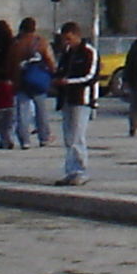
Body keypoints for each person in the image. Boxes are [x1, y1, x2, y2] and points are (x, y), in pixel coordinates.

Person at [53, 21, 98, 186]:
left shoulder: (88, 52)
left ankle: (80, 171)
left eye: (69, 39)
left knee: (78, 136)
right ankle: (70, 171)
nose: (66, 42)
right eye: (64, 39)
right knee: (69, 138)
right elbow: (60, 70)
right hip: (66, 99)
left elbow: (91, 76)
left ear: (77, 36)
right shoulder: (67, 53)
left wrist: (69, 82)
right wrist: (55, 79)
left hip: (81, 99)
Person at [9, 17, 57, 149]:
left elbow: (11, 64)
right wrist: (52, 74)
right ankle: (44, 137)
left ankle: (24, 140)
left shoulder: (16, 44)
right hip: (38, 80)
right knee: (41, 110)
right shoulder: (41, 42)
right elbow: (49, 60)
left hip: (21, 80)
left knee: (22, 111)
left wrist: (14, 80)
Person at [0, 19, 18, 149]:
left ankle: (3, 138)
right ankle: (9, 137)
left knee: (0, 111)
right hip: (10, 79)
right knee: (10, 111)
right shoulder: (13, 44)